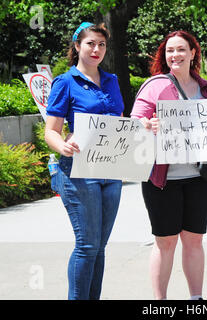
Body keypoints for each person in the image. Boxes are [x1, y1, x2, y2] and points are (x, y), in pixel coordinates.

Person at [131, 30, 207, 300]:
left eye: (181, 50)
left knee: (194, 240)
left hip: (198, 178)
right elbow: (134, 123)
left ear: (193, 53)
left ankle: (196, 298)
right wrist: (148, 125)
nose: (175, 55)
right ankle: (160, 302)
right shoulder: (154, 86)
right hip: (162, 179)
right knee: (165, 241)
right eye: (170, 50)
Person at [44, 22, 125, 300]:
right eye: (90, 43)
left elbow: (118, 124)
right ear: (77, 46)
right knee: (87, 245)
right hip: (79, 173)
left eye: (102, 44)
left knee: (99, 246)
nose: (97, 49)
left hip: (111, 171)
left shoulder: (112, 80)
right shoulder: (65, 82)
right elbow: (51, 132)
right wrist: (63, 146)